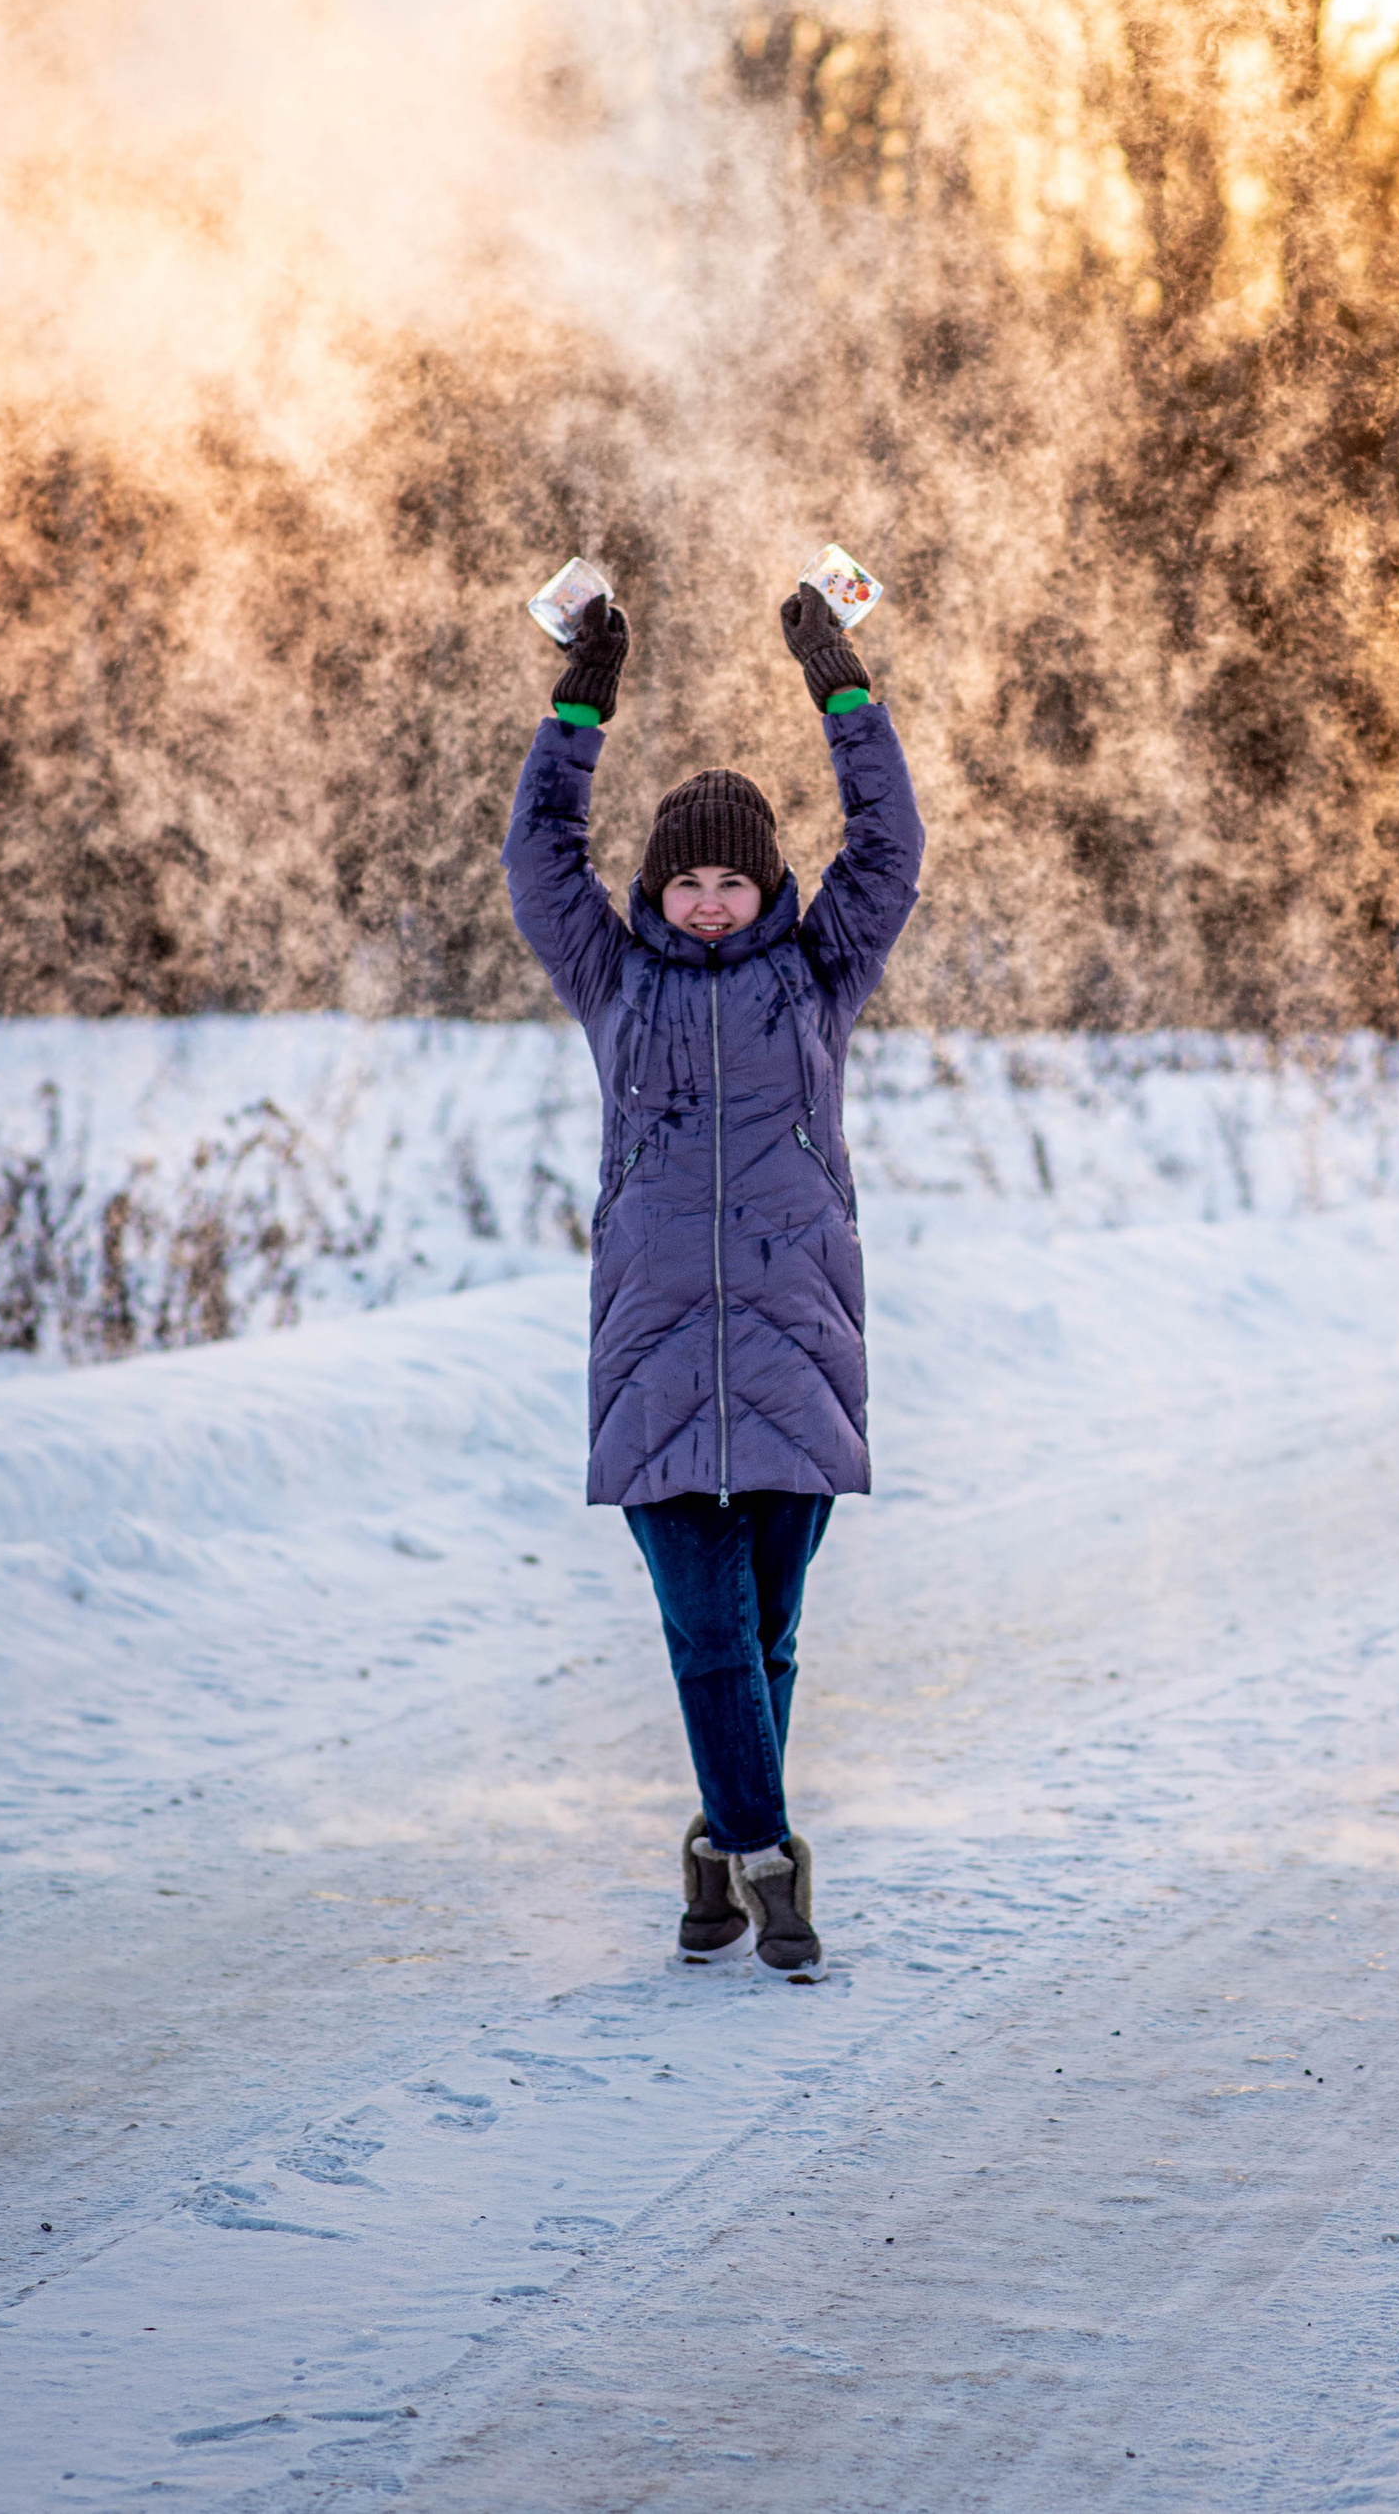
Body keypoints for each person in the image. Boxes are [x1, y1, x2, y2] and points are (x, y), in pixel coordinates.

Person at [501, 576, 923, 1978]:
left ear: (767, 884)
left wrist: (842, 685)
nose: (706, 896)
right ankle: (763, 1859)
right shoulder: (616, 984)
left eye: (731, 875)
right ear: (655, 888)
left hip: (796, 1352)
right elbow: (538, 857)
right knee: (707, 1631)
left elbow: (892, 844)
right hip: (659, 1359)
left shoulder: (820, 973)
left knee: (769, 1636)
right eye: (685, 877)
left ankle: (712, 1839)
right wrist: (581, 701)